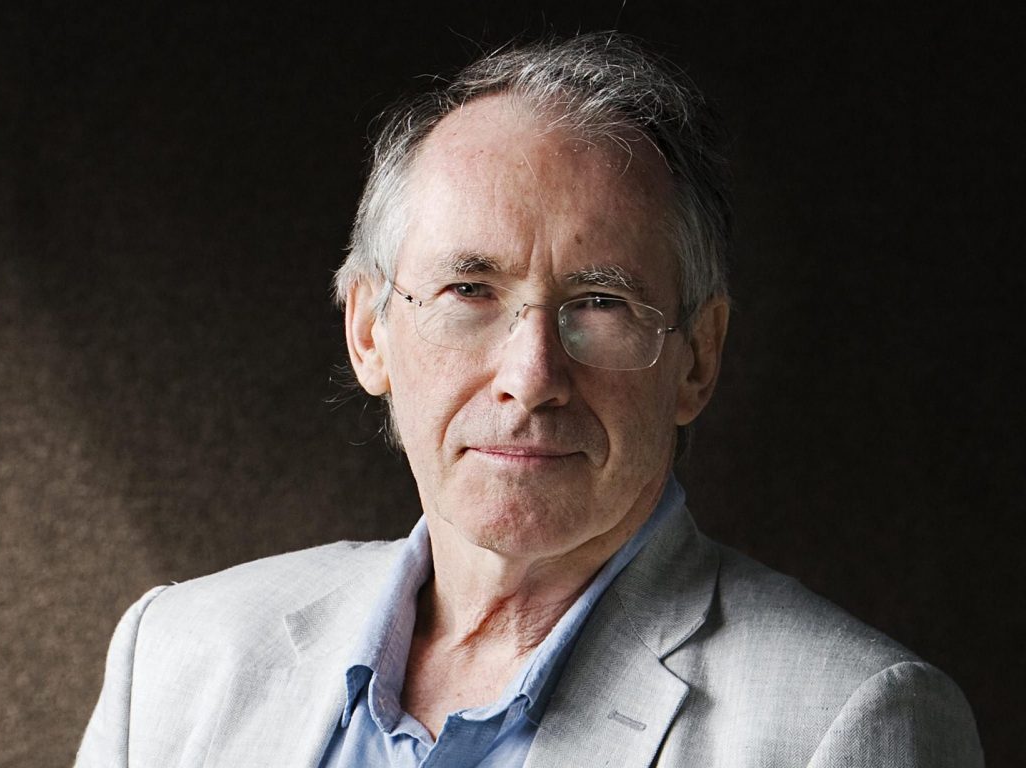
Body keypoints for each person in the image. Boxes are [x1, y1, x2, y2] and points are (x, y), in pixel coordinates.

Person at [75, 33, 982, 767]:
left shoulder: (846, 724)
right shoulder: (176, 654)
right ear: (368, 333)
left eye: (601, 302)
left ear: (698, 359)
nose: (532, 373)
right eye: (469, 291)